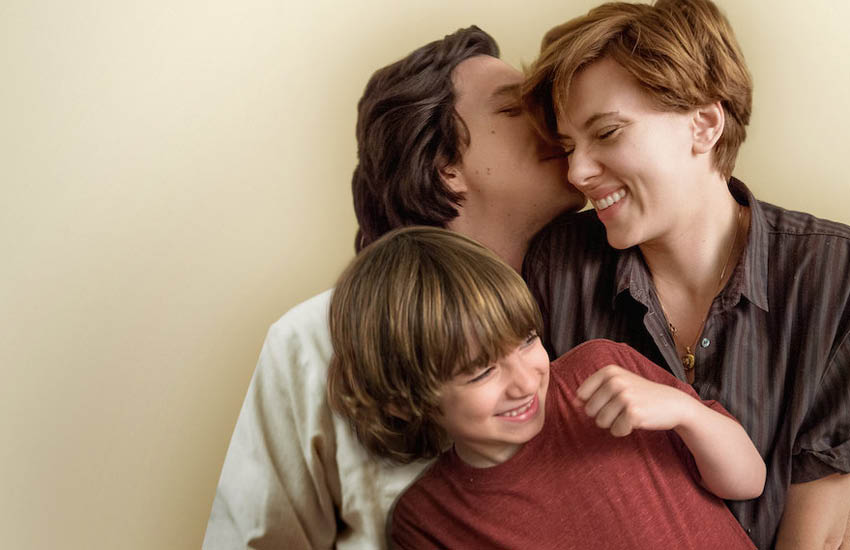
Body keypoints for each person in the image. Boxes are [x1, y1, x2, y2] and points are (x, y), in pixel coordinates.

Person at [202, 26, 584, 549]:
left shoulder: (612, 296)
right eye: (515, 108)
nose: (557, 120)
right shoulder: (316, 340)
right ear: (446, 167)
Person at [520, 1, 850, 548]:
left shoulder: (835, 279)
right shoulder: (558, 268)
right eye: (569, 146)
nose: (577, 172)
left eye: (607, 133)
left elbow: (817, 531)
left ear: (705, 125)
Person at [328, 226, 764, 549]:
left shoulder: (603, 369)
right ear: (403, 402)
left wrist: (686, 413)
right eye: (481, 373)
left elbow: (748, 482)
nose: (524, 382)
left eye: (527, 341)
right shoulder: (427, 520)